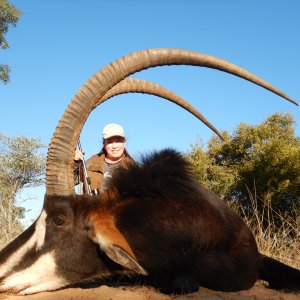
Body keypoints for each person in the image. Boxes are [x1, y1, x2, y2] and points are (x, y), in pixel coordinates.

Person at [74, 123, 134, 194]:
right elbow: (70, 180)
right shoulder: (91, 162)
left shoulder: (133, 167)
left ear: (124, 143)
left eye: (118, 141)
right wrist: (75, 162)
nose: (114, 146)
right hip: (92, 204)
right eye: (110, 142)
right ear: (104, 144)